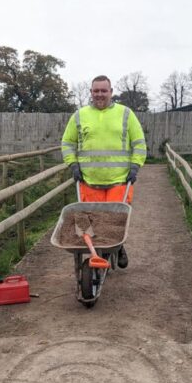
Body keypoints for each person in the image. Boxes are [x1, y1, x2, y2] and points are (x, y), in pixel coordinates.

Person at [61, 75, 147, 268]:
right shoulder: (79, 116)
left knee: (115, 221)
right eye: (96, 91)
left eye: (104, 91)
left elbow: (139, 143)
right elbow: (67, 142)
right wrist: (73, 164)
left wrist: (135, 166)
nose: (100, 94)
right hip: (88, 180)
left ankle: (118, 246)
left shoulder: (126, 114)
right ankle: (102, 251)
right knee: (91, 222)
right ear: (91, 92)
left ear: (111, 92)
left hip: (119, 180)